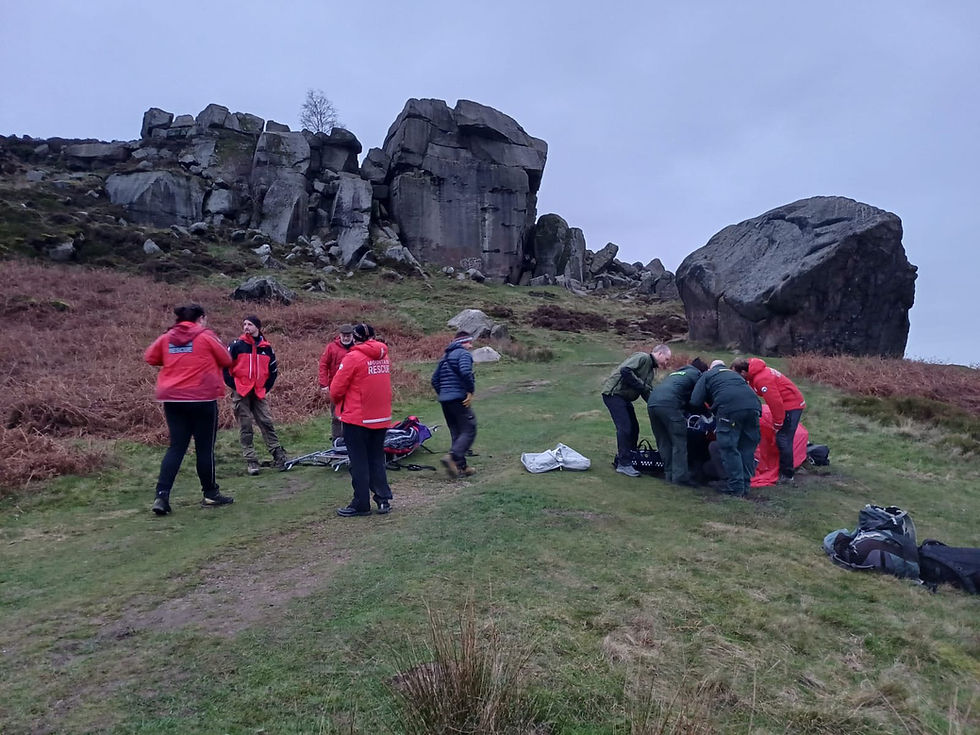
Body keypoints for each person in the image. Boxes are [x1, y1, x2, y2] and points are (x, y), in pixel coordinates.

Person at [144, 303, 234, 515]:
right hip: (202, 398)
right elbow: (226, 359)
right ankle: (210, 493)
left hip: (173, 399)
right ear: (200, 318)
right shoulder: (206, 336)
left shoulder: (167, 337)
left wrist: (174, 360)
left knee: (176, 447)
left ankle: (161, 496)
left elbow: (150, 357)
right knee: (204, 448)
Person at [329, 323, 394, 517]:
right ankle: (383, 499)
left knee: (359, 462)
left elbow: (336, 389)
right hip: (381, 417)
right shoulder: (384, 356)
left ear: (355, 338)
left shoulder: (353, 357)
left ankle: (361, 503)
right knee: (377, 459)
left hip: (357, 418)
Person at [224, 315, 287, 475]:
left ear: (257, 327)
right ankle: (251, 461)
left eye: (250, 324)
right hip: (241, 391)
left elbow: (273, 371)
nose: (246, 327)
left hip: (259, 391)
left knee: (266, 422)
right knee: (245, 426)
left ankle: (278, 455)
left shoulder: (267, 348)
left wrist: (265, 388)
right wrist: (234, 385)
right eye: (244, 324)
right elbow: (225, 367)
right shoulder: (236, 345)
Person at [690, 359, 761, 496]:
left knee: (729, 447)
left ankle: (735, 487)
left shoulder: (708, 375)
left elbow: (695, 400)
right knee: (746, 448)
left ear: (711, 368)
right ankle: (745, 486)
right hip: (754, 408)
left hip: (729, 410)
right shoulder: (735, 375)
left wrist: (710, 408)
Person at [731, 357, 806, 484]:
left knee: (783, 439)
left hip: (791, 406)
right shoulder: (754, 373)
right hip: (789, 403)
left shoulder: (762, 379)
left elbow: (775, 403)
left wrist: (778, 423)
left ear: (743, 372)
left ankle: (787, 474)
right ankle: (784, 469)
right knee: (782, 438)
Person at [601, 344, 672, 477]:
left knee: (634, 428)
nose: (666, 363)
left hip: (624, 398)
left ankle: (630, 458)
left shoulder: (651, 371)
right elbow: (625, 371)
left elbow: (646, 392)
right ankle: (624, 464)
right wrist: (642, 386)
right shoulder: (643, 357)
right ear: (660, 354)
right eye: (666, 359)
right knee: (625, 428)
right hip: (614, 395)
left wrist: (656, 406)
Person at [647, 357, 709, 486]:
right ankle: (680, 477)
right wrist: (706, 412)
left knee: (663, 440)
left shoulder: (676, 373)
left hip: (652, 403)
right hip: (669, 405)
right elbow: (696, 399)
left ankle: (669, 473)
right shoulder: (697, 375)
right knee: (679, 440)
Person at [431, 331, 477, 478]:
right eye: (469, 342)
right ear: (463, 342)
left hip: (445, 401)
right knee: (469, 429)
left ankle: (461, 467)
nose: (471, 346)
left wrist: (444, 394)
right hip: (459, 399)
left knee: (456, 431)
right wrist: (470, 391)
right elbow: (465, 372)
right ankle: (452, 456)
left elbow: (434, 379)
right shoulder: (463, 354)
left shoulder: (445, 357)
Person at [318, 324, 355, 440]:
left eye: (348, 336)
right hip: (336, 386)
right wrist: (324, 384)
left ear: (352, 336)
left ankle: (352, 439)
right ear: (340, 335)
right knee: (336, 415)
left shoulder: (358, 347)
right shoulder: (331, 348)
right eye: (344, 336)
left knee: (354, 415)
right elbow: (323, 365)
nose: (346, 338)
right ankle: (337, 440)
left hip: (353, 387)